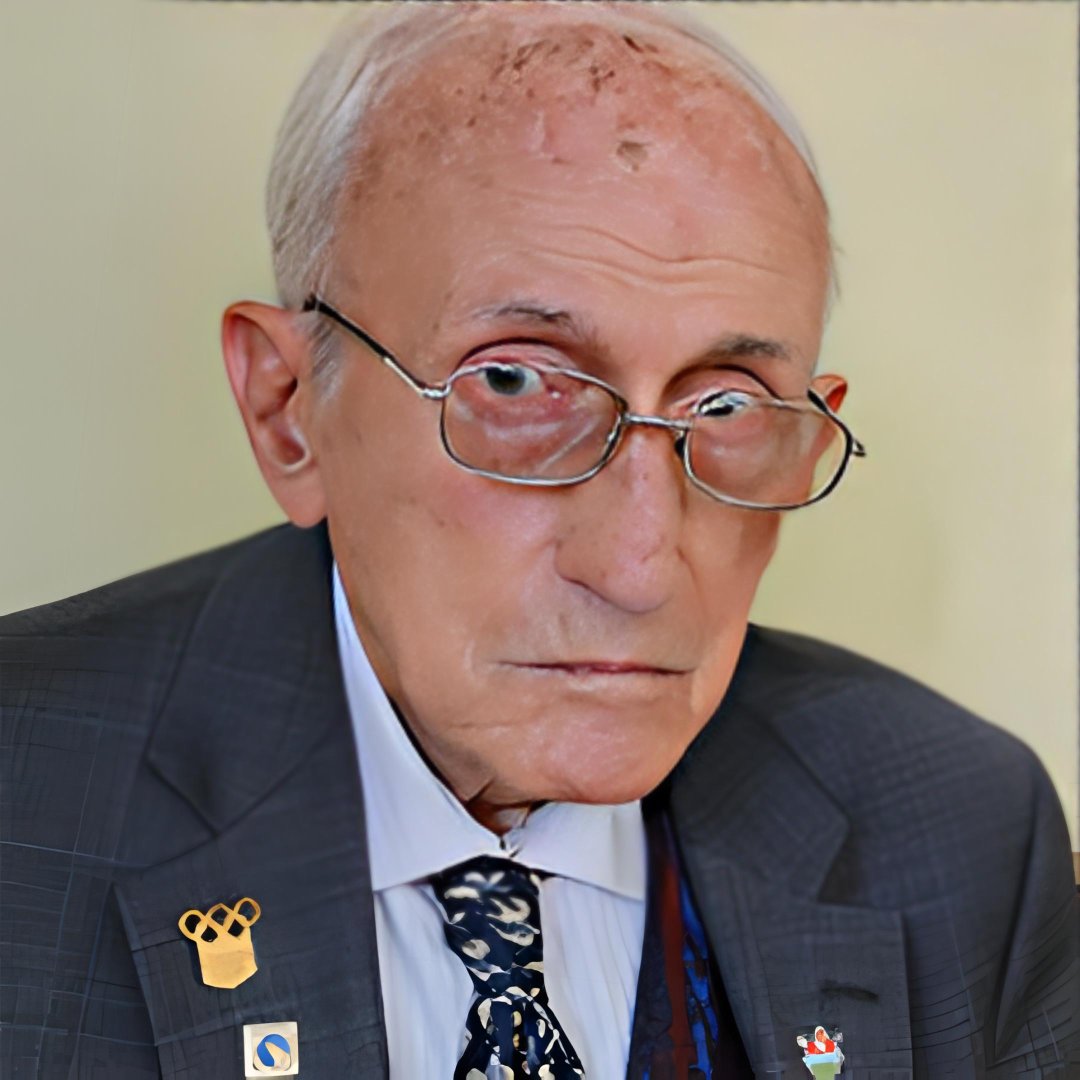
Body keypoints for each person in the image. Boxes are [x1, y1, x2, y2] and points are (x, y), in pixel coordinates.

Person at [1, 3, 1076, 1078]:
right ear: (288, 407)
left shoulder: (959, 830)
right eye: (515, 382)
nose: (639, 568)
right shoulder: (25, 794)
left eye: (727, 406)